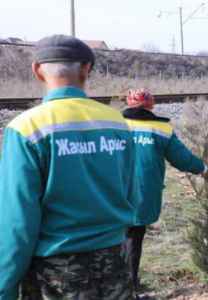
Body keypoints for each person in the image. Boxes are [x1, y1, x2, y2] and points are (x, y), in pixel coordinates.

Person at [0, 35, 138, 300]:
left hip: (56, 273)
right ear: (87, 69)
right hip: (115, 263)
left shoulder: (26, 128)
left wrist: (5, 285)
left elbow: (17, 221)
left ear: (37, 70)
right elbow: (131, 193)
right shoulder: (117, 123)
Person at [122, 88, 207, 300]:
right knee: (133, 238)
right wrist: (202, 169)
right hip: (143, 193)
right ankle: (128, 289)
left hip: (111, 191)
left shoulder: (113, 124)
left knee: (114, 238)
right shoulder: (161, 129)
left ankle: (118, 283)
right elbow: (181, 158)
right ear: (151, 106)